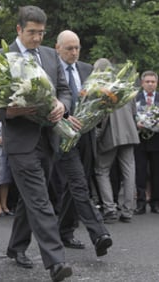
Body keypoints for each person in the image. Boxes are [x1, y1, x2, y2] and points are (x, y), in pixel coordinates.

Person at [0, 6, 72, 281]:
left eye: (41, 33)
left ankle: (16, 247)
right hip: (20, 142)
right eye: (31, 33)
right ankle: (56, 261)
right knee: (40, 199)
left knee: (30, 199)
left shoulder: (50, 55)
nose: (37, 38)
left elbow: (64, 89)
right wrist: (8, 112)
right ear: (18, 30)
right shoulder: (2, 59)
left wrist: (62, 104)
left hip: (47, 138)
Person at [54, 31, 112, 253]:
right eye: (69, 48)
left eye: (77, 47)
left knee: (74, 184)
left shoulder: (87, 69)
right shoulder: (51, 71)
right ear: (58, 48)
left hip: (86, 135)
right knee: (79, 184)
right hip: (62, 135)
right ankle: (99, 234)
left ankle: (63, 231)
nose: (74, 52)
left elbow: (97, 99)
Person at [92, 58, 139, 223]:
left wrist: (97, 136)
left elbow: (101, 117)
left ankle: (110, 209)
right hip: (130, 133)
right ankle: (128, 210)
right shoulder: (125, 85)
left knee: (101, 170)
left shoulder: (100, 89)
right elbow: (133, 111)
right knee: (129, 171)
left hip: (110, 134)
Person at [134, 70, 159, 214]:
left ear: (156, 83)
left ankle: (155, 202)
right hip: (140, 140)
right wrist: (136, 123)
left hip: (157, 140)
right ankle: (140, 203)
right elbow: (131, 115)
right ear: (142, 83)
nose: (150, 84)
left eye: (153, 82)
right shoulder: (134, 99)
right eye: (147, 82)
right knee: (140, 172)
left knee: (157, 172)